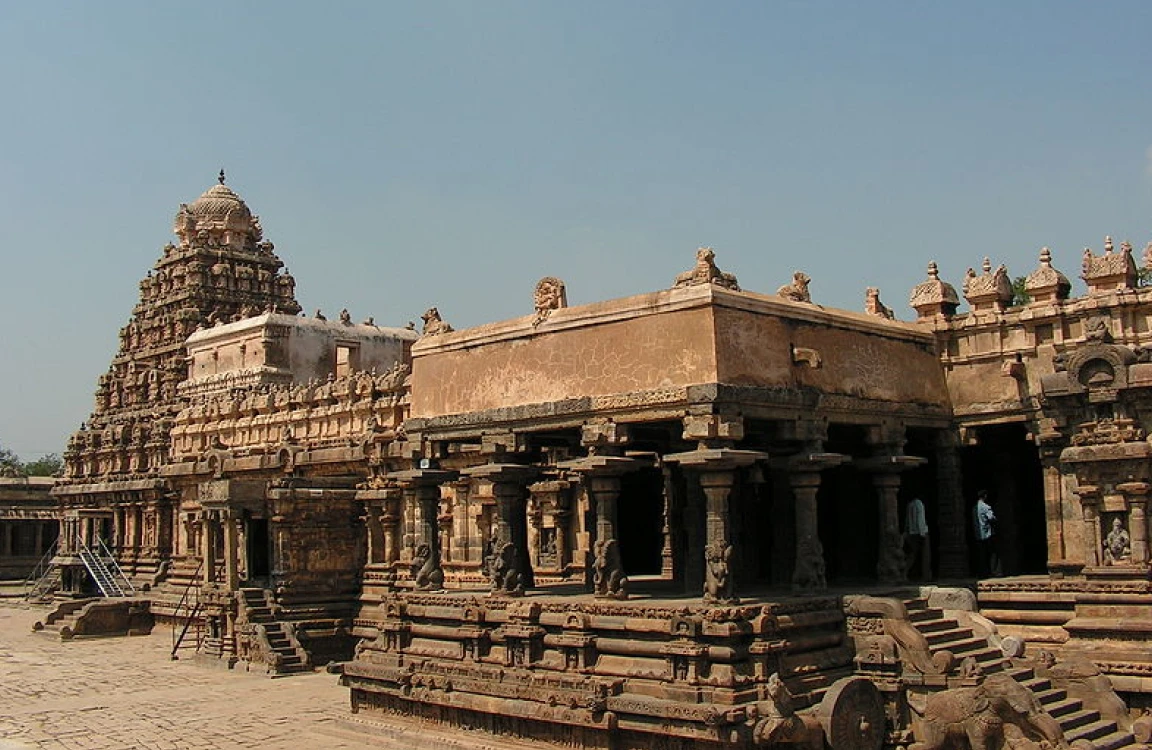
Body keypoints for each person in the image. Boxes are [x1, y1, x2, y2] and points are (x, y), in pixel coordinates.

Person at [904, 496, 931, 580]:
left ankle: (904, 573)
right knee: (925, 555)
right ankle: (926, 575)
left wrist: (907, 531)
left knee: (912, 555)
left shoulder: (910, 505)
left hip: (912, 532)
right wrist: (922, 533)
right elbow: (920, 519)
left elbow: (907, 520)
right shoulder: (919, 503)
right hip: (920, 532)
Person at [973, 491, 999, 577]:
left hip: (978, 535)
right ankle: (993, 571)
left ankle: (982, 572)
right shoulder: (986, 507)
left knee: (981, 555)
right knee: (992, 553)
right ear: (985, 496)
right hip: (987, 534)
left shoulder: (974, 508)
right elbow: (991, 518)